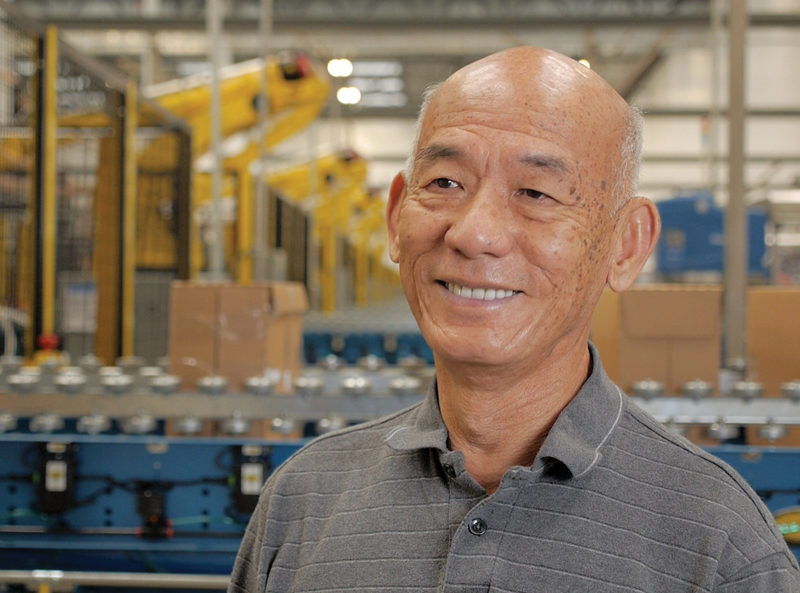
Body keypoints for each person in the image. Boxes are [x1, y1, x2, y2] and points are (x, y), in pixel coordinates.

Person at [229, 47, 800, 592]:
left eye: (535, 191)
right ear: (397, 215)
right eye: (445, 183)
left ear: (626, 245)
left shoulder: (721, 544)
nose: (474, 233)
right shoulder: (301, 504)